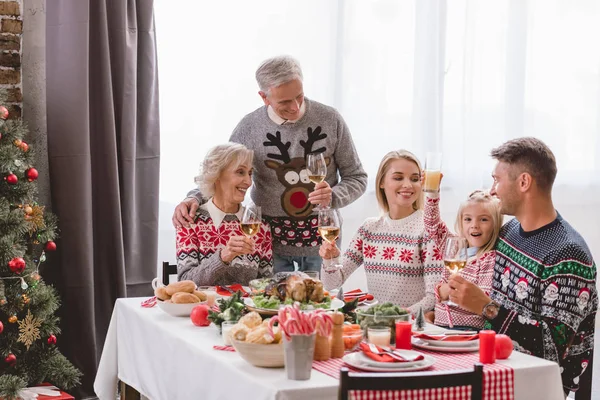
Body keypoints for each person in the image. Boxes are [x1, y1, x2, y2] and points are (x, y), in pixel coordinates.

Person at [172, 55, 367, 274]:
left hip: (322, 239)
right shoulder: (249, 127)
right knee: (272, 305)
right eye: (284, 102)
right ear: (264, 97)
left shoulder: (330, 119)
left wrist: (333, 196)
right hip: (268, 241)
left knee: (321, 305)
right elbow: (223, 171)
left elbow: (357, 177)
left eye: (300, 96)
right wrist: (194, 197)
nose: (295, 107)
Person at [447, 137, 597, 395]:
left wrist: (486, 307)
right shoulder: (509, 232)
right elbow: (468, 256)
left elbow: (552, 349)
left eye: (497, 180)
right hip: (493, 364)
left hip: (530, 385)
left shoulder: (568, 255)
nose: (492, 190)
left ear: (524, 182)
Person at [319, 150, 443, 313]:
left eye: (414, 179)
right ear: (381, 182)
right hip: (376, 325)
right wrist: (330, 259)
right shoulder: (369, 229)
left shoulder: (428, 230)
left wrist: (395, 317)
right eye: (398, 177)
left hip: (409, 327)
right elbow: (332, 283)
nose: (407, 185)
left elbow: (433, 297)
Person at [176, 143, 273, 286]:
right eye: (240, 172)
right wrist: (223, 257)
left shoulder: (260, 226)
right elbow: (185, 282)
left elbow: (266, 285)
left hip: (247, 308)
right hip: (203, 307)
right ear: (217, 175)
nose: (248, 181)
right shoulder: (190, 221)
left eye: (250, 173)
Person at [423, 188, 502, 330]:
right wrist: (432, 193)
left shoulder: (489, 259)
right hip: (440, 325)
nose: (474, 225)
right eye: (468, 219)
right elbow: (432, 225)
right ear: (461, 222)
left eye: (483, 219)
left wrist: (444, 291)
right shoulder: (454, 246)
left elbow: (479, 299)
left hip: (466, 330)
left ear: (495, 224)